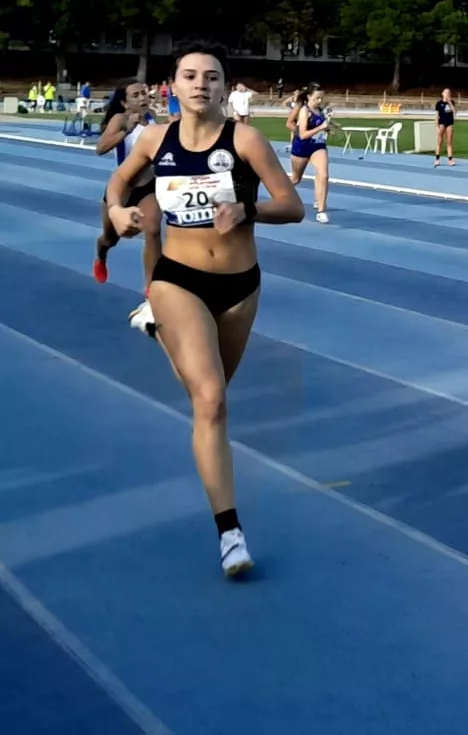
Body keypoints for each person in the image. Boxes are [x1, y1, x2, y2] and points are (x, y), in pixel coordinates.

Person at [104, 45, 304, 577]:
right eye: (190, 76)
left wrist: (248, 208)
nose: (200, 84)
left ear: (224, 87)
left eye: (211, 77)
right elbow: (118, 182)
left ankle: (159, 330)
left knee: (207, 397)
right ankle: (230, 532)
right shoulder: (154, 139)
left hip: (240, 286)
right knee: (212, 403)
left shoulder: (245, 140)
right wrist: (119, 209)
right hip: (178, 278)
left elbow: (293, 205)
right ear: (174, 84)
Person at [92, 82, 162, 303]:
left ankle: (151, 287)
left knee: (152, 230)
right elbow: (100, 148)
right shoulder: (119, 119)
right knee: (110, 239)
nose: (143, 98)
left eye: (144, 93)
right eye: (136, 95)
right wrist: (126, 130)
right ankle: (101, 257)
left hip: (148, 185)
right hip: (122, 188)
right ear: (124, 102)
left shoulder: (151, 118)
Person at [288, 86, 333, 223]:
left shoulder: (320, 110)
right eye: (316, 98)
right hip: (302, 147)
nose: (319, 101)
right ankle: (279, 194)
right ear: (308, 97)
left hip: (318, 146)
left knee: (323, 176)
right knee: (295, 179)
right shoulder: (303, 111)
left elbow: (322, 125)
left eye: (321, 98)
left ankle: (321, 210)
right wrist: (320, 128)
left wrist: (329, 130)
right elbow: (302, 134)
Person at [434, 88, 457, 166]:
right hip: (441, 123)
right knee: (439, 142)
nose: (447, 94)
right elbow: (436, 116)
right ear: (442, 93)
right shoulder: (439, 103)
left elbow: (454, 112)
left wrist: (449, 102)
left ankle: (450, 159)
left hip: (449, 123)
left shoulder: (452, 102)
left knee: (449, 142)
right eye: (446, 93)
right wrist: (436, 127)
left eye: (449, 93)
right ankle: (437, 159)